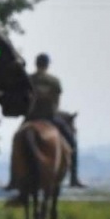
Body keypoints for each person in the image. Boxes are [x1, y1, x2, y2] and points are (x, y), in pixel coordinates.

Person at [27, 53, 85, 188]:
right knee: (72, 143)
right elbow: (56, 102)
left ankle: (13, 179)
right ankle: (74, 178)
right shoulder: (54, 81)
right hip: (49, 117)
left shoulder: (28, 79)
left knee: (16, 140)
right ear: (47, 64)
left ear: (36, 64)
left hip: (31, 117)